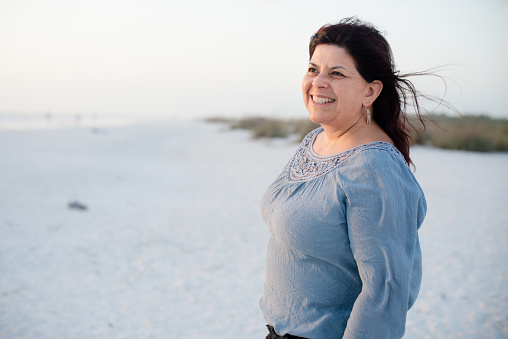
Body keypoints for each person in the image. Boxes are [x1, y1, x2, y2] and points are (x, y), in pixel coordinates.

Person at [260, 17, 427, 339]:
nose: (319, 82)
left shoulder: (374, 168)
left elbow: (386, 291)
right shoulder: (315, 139)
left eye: (337, 73)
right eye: (313, 69)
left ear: (370, 91)